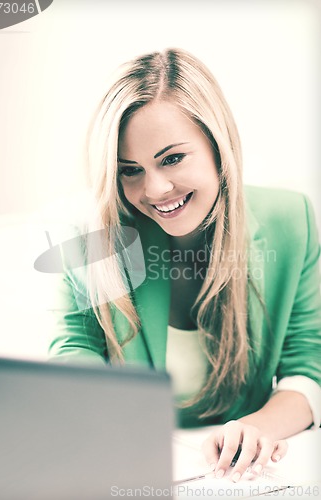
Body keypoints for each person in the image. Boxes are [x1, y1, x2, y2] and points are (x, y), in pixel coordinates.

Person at [48, 48, 321, 482]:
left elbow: (308, 369)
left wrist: (254, 430)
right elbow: (74, 351)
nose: (155, 188)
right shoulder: (88, 238)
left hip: (235, 477)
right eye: (129, 170)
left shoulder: (293, 221)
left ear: (218, 145)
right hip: (133, 465)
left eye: (172, 158)